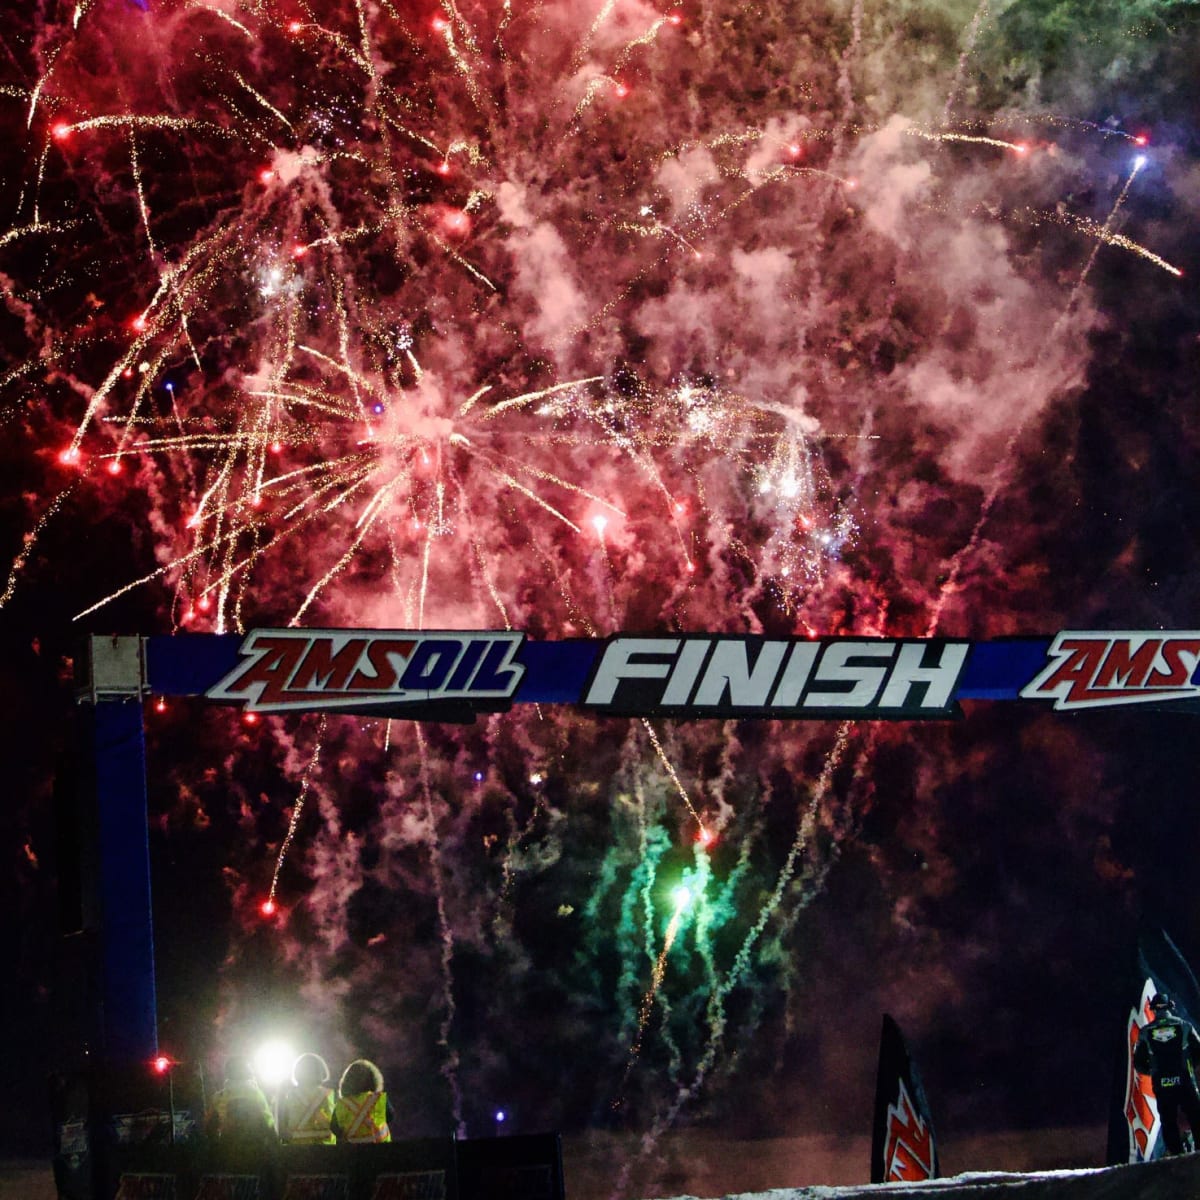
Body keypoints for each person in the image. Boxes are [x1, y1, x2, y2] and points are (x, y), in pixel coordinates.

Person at [1133, 993, 1200, 1155]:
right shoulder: (1184, 1026)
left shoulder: (1145, 1032)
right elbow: (1198, 1052)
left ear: (1153, 1009)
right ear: (1170, 1006)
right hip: (1185, 1080)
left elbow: (1139, 1063)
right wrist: (1190, 1066)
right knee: (1196, 1116)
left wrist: (1154, 1072)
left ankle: (1176, 1155)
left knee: (1168, 1121)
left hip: (1161, 1084)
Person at [205, 1056, 277, 1149]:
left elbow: (209, 1127)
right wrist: (275, 1146)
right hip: (254, 1147)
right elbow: (268, 1122)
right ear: (247, 1072)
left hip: (228, 1147)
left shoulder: (219, 1097)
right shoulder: (256, 1093)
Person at [277, 1053, 337, 1146]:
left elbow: (282, 1127)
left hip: (295, 1147)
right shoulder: (328, 1094)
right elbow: (333, 1125)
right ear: (320, 1071)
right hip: (321, 1147)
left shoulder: (289, 1095)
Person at [331, 1059, 393, 1144]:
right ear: (373, 1079)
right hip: (380, 1150)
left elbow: (335, 1128)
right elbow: (390, 1117)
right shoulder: (379, 1099)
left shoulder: (342, 1104)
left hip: (352, 1151)